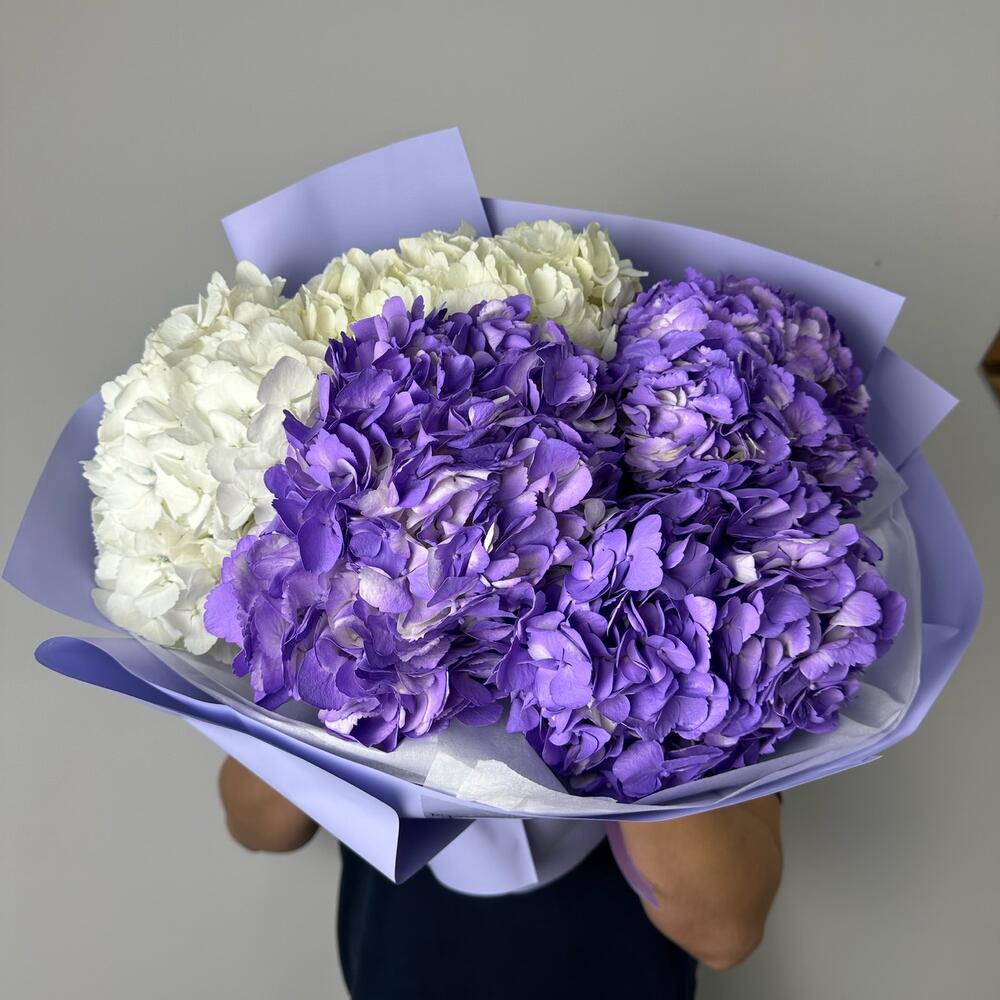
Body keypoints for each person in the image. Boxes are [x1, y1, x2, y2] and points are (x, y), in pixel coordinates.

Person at [219, 756, 782, 999]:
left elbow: (725, 932)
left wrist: (624, 659)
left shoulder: (712, 586)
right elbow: (260, 827)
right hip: (396, 973)